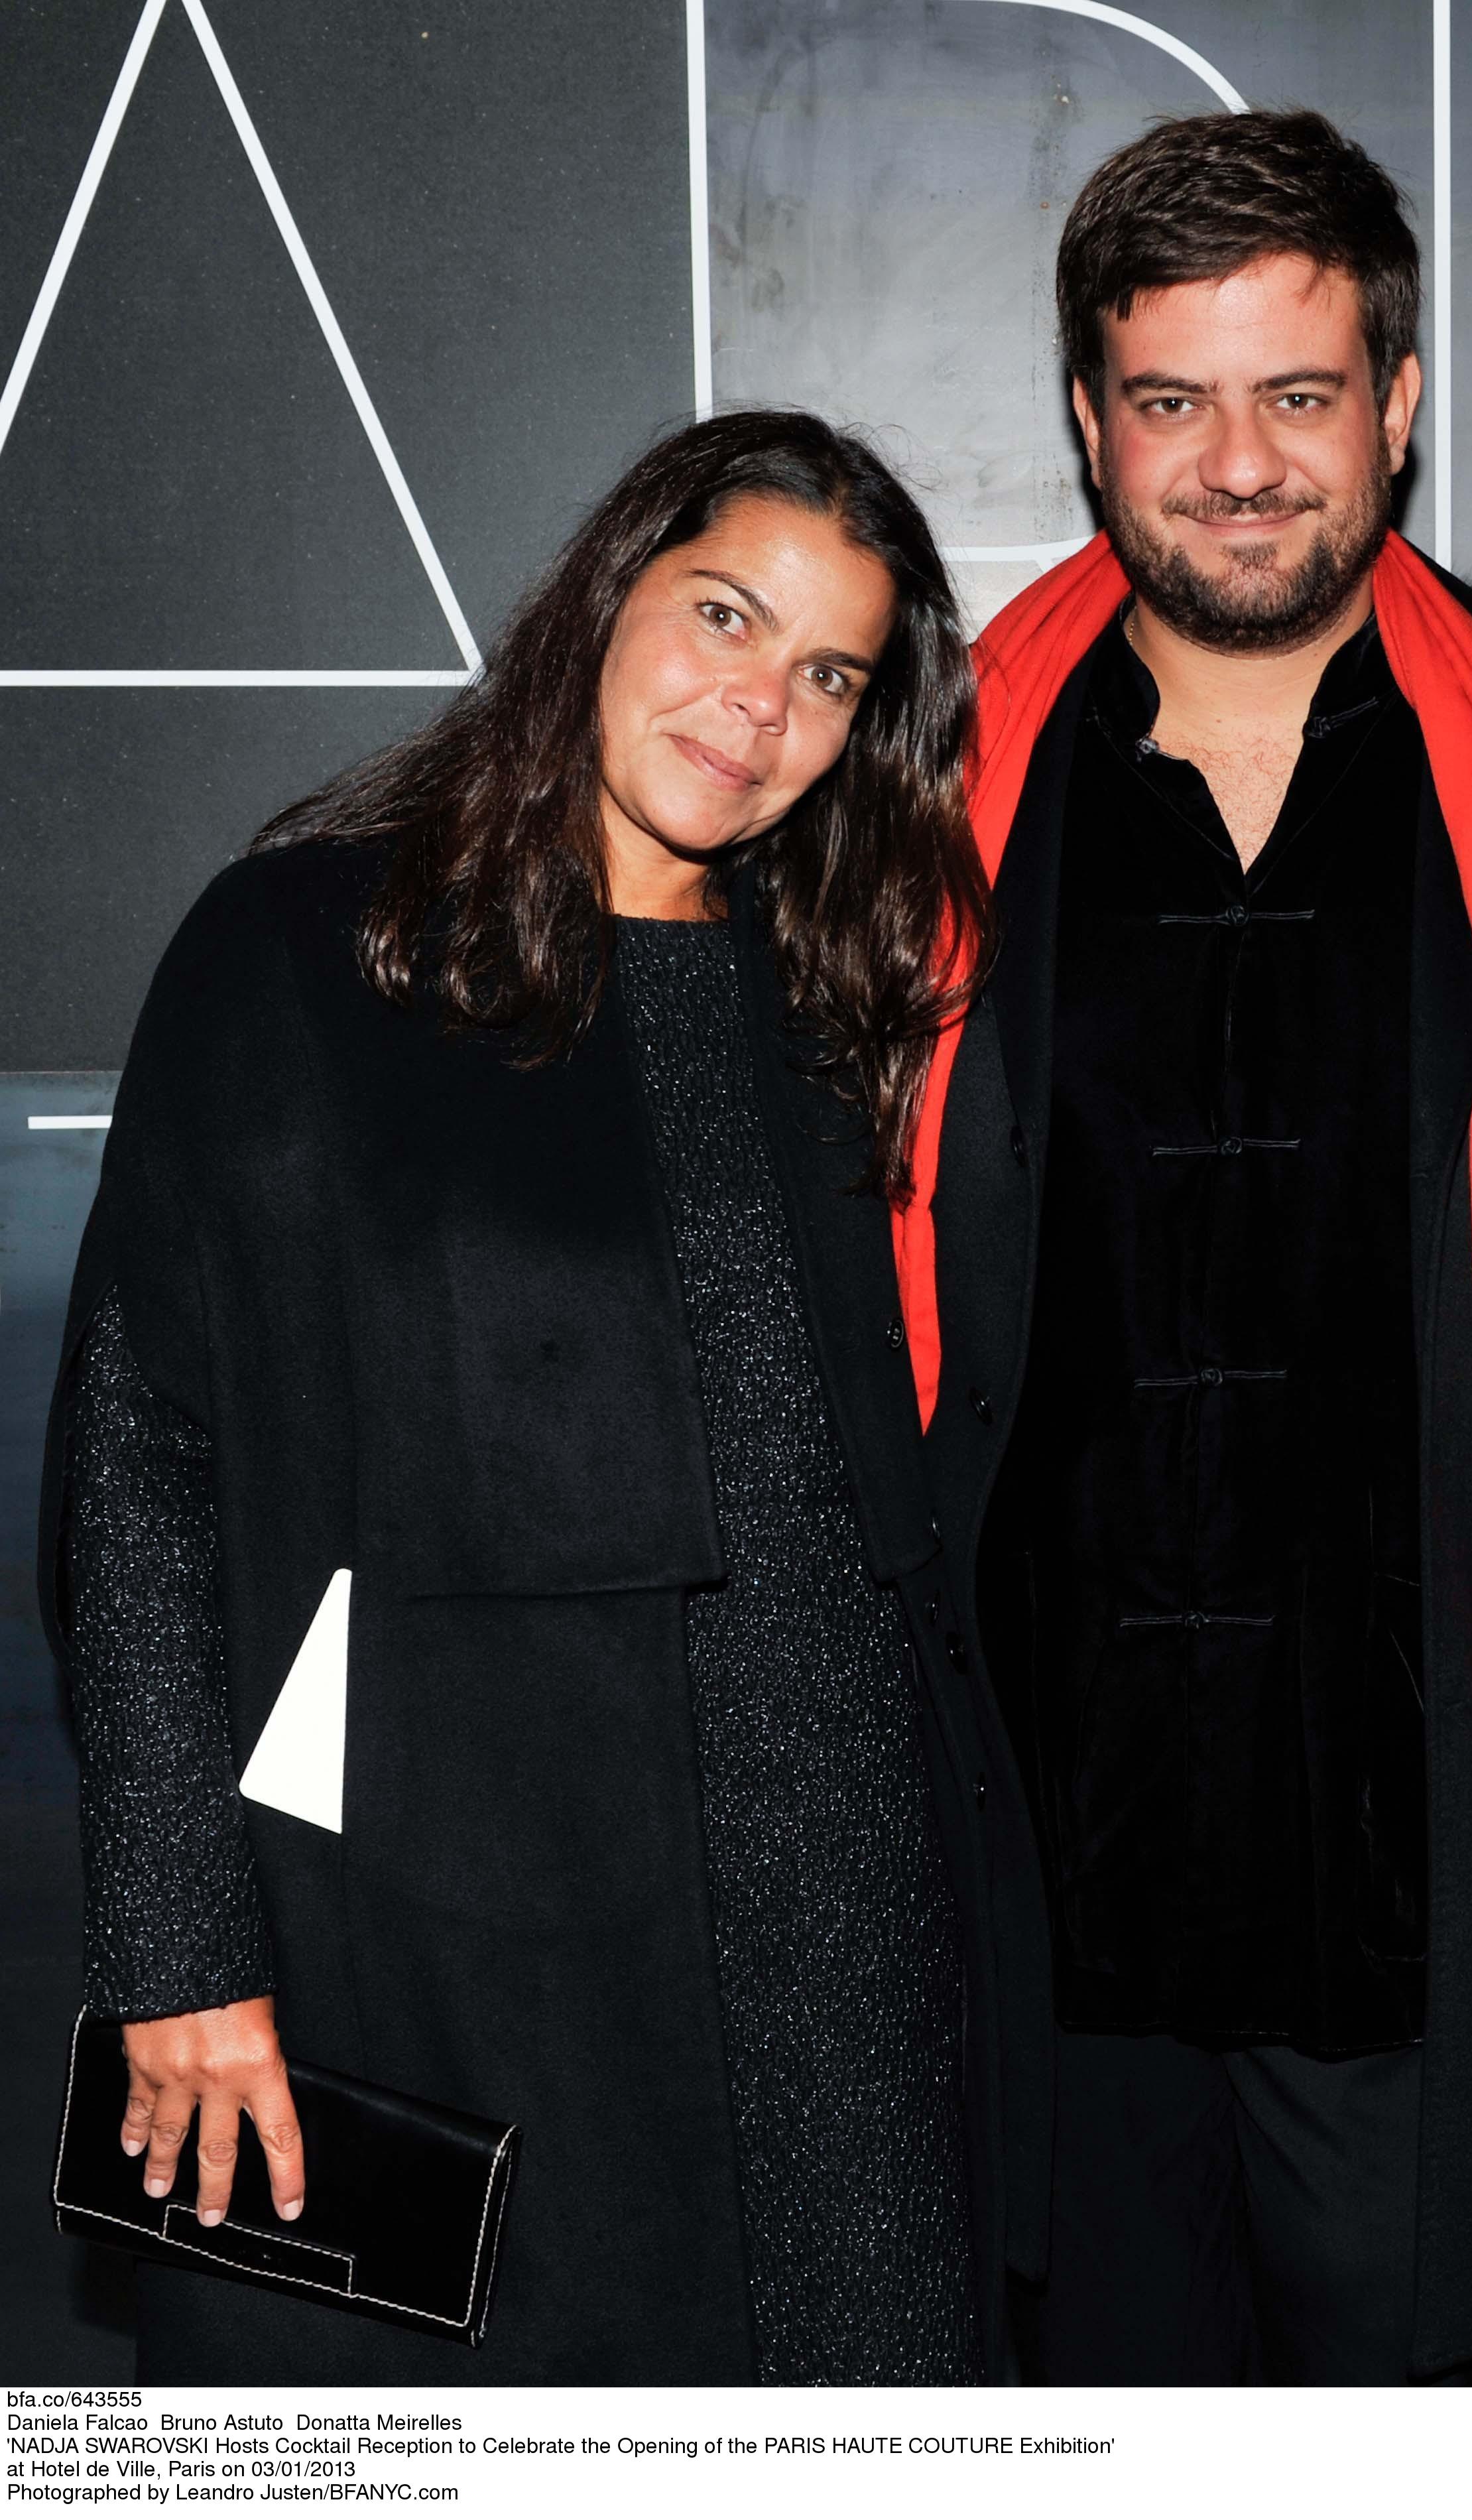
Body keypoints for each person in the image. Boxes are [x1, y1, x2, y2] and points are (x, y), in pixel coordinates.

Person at [39, 410, 1051, 2383]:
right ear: (608, 592)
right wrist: (179, 1948)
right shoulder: (313, 951)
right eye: (724, 615)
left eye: (829, 676)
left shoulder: (834, 992)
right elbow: (144, 1464)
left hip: (850, 1888)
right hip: (459, 1898)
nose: (758, 707)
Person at [892, 109, 1472, 2385]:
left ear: (1401, 403)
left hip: (1424, 1895)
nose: (1239, 464)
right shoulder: (916, 796)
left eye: (1298, 395)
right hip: (1045, 1886)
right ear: (1090, 420)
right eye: (1172, 399)